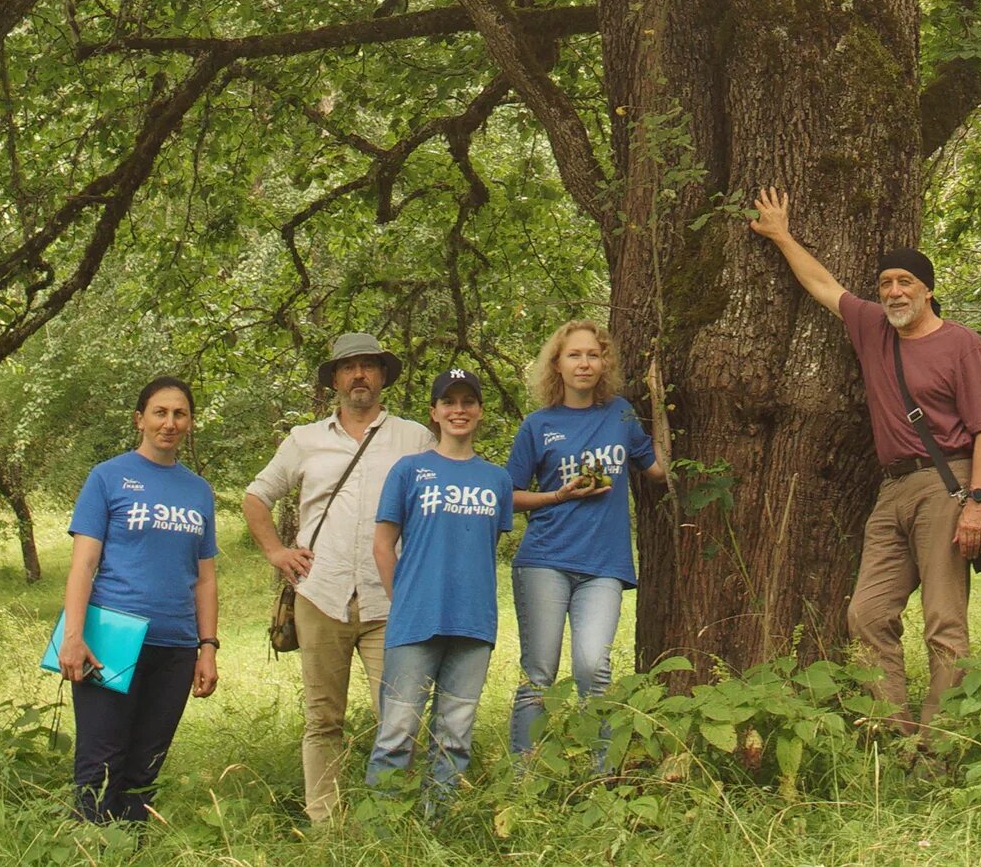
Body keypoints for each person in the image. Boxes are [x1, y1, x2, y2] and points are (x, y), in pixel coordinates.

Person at [750, 188, 981, 734]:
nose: (893, 290)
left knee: (944, 622)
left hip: (947, 484)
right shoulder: (872, 328)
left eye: (904, 281)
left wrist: (978, 504)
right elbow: (822, 285)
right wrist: (781, 234)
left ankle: (938, 746)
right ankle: (896, 732)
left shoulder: (963, 345)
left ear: (928, 290)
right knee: (865, 615)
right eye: (885, 282)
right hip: (891, 490)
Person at [243, 333, 433, 823]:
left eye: (369, 366)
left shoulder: (414, 438)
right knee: (323, 719)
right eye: (349, 368)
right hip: (321, 595)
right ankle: (326, 822)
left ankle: (394, 819)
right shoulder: (304, 439)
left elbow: (443, 492)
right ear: (334, 379)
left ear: (384, 376)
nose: (360, 376)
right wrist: (276, 552)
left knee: (400, 715)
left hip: (390, 600)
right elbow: (256, 496)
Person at [58, 376, 219, 823]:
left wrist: (208, 648)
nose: (169, 422)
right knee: (101, 763)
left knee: (146, 766)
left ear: (189, 422)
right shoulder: (108, 477)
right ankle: (89, 847)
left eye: (179, 413)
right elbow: (83, 565)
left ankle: (130, 848)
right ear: (140, 420)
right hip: (111, 639)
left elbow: (205, 579)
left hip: (176, 645)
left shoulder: (198, 491)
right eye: (160, 412)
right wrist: (73, 636)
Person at [505, 320, 668, 759]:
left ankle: (599, 779)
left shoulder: (621, 413)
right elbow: (509, 496)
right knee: (538, 674)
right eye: (574, 355)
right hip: (545, 560)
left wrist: (660, 400)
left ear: (604, 363)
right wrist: (559, 493)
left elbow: (658, 470)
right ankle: (525, 776)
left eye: (593, 355)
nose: (584, 363)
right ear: (557, 364)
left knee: (593, 670)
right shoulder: (538, 425)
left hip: (604, 564)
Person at [366, 369, 513, 801]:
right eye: (449, 402)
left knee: (455, 738)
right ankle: (381, 834)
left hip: (474, 622)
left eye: (468, 401)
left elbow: (479, 549)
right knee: (396, 733)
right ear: (434, 412)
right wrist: (404, 598)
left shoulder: (497, 480)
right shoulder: (410, 471)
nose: (459, 410)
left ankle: (439, 827)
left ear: (480, 411)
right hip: (415, 621)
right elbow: (382, 546)